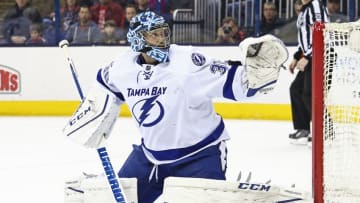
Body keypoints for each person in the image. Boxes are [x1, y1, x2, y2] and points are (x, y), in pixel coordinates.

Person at [63, 11, 288, 203]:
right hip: (149, 158)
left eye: (163, 33)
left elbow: (237, 85)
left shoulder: (188, 62)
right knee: (111, 198)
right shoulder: (122, 67)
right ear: (137, 39)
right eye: (154, 35)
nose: (162, 39)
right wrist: (94, 114)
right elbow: (105, 84)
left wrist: (257, 73)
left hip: (199, 155)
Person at [288, 0, 329, 145]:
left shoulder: (315, 6)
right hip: (311, 56)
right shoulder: (305, 10)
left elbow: (322, 32)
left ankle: (324, 132)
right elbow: (305, 39)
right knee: (296, 89)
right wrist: (297, 57)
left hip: (320, 56)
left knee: (310, 94)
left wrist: (307, 56)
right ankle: (303, 129)